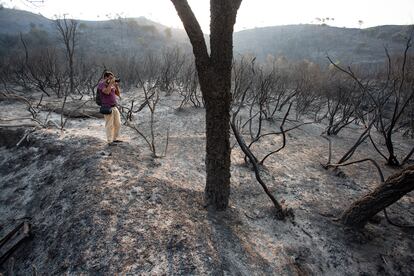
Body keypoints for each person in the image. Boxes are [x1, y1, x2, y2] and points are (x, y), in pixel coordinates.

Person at [98, 71, 122, 145]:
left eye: (113, 78)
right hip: (107, 106)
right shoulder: (102, 84)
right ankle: (109, 141)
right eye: (110, 77)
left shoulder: (111, 84)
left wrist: (116, 85)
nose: (112, 79)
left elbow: (118, 94)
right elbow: (107, 92)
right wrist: (111, 83)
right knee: (109, 125)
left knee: (118, 123)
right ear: (106, 77)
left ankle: (115, 138)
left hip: (114, 106)